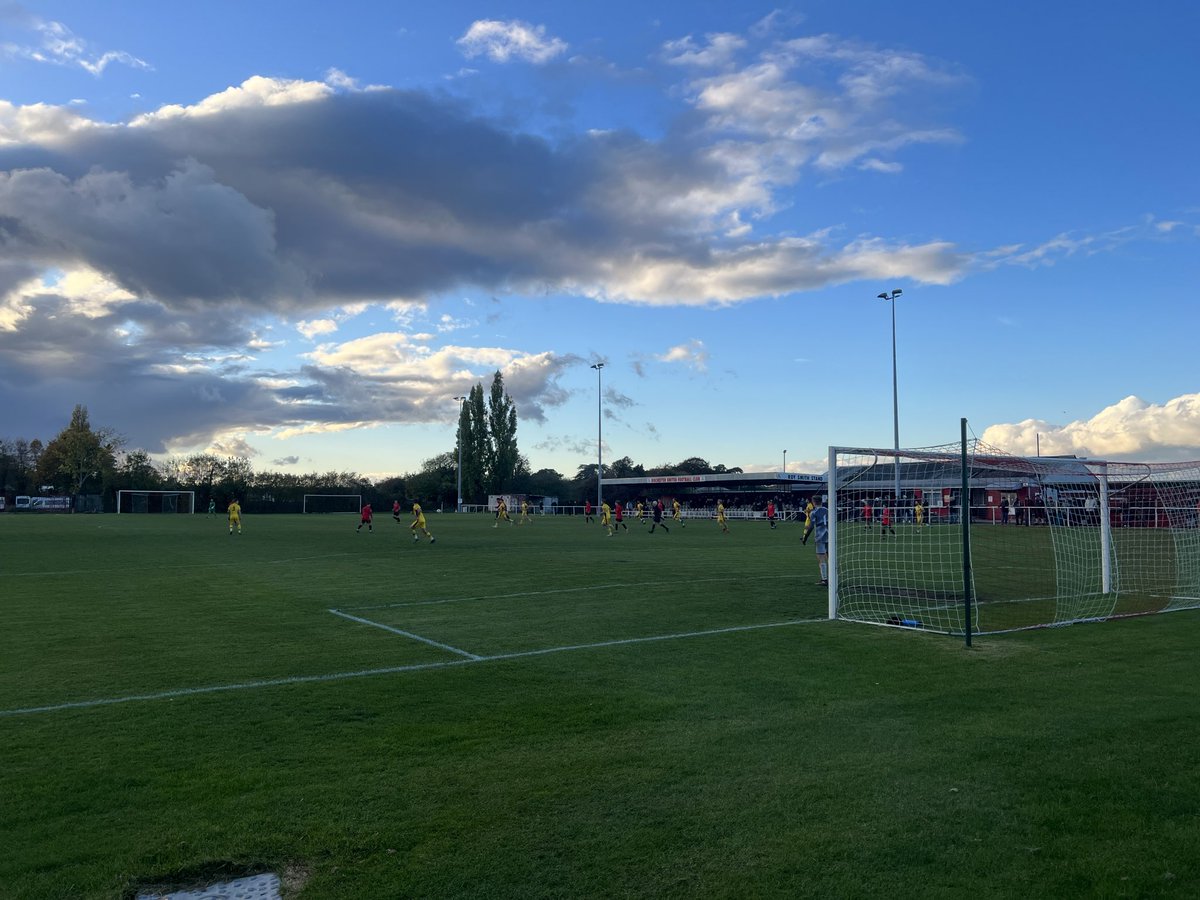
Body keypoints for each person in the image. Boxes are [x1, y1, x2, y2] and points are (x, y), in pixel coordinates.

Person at [810, 495, 830, 586]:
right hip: (830, 536)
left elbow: (811, 526)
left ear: (813, 502)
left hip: (820, 537)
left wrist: (805, 537)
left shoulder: (814, 512)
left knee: (821, 558)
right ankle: (834, 576)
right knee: (830, 557)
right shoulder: (827, 510)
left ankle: (824, 579)